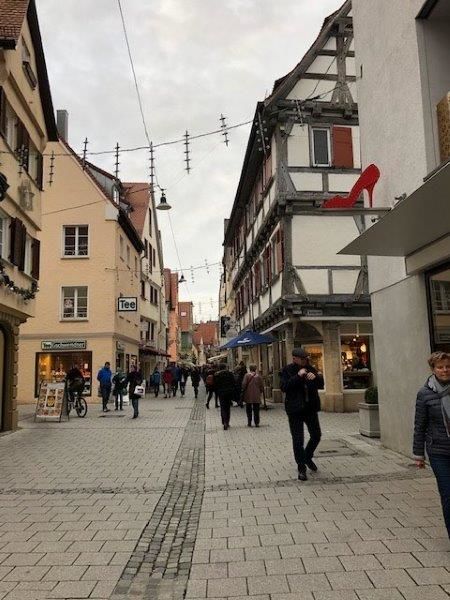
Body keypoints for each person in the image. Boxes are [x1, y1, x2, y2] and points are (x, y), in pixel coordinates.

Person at [413, 351, 450, 538]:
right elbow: (420, 425)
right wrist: (418, 454)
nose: (445, 370)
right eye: (440, 367)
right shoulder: (425, 393)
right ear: (433, 369)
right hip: (439, 452)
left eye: (448, 366)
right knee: (448, 495)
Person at [280, 348, 323, 481]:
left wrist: (316, 378)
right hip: (295, 410)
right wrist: (298, 376)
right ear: (295, 359)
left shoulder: (311, 369)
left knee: (316, 435)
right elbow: (284, 387)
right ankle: (301, 467)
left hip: (310, 408)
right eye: (302, 359)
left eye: (306, 358)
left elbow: (321, 384)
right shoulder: (287, 370)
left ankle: (307, 456)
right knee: (298, 439)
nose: (305, 360)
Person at [214, 363, 236, 430]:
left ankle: (224, 422)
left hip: (221, 393)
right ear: (225, 367)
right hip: (229, 392)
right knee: (228, 407)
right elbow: (233, 383)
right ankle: (227, 422)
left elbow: (215, 384)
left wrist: (217, 392)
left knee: (223, 407)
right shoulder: (230, 374)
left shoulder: (217, 375)